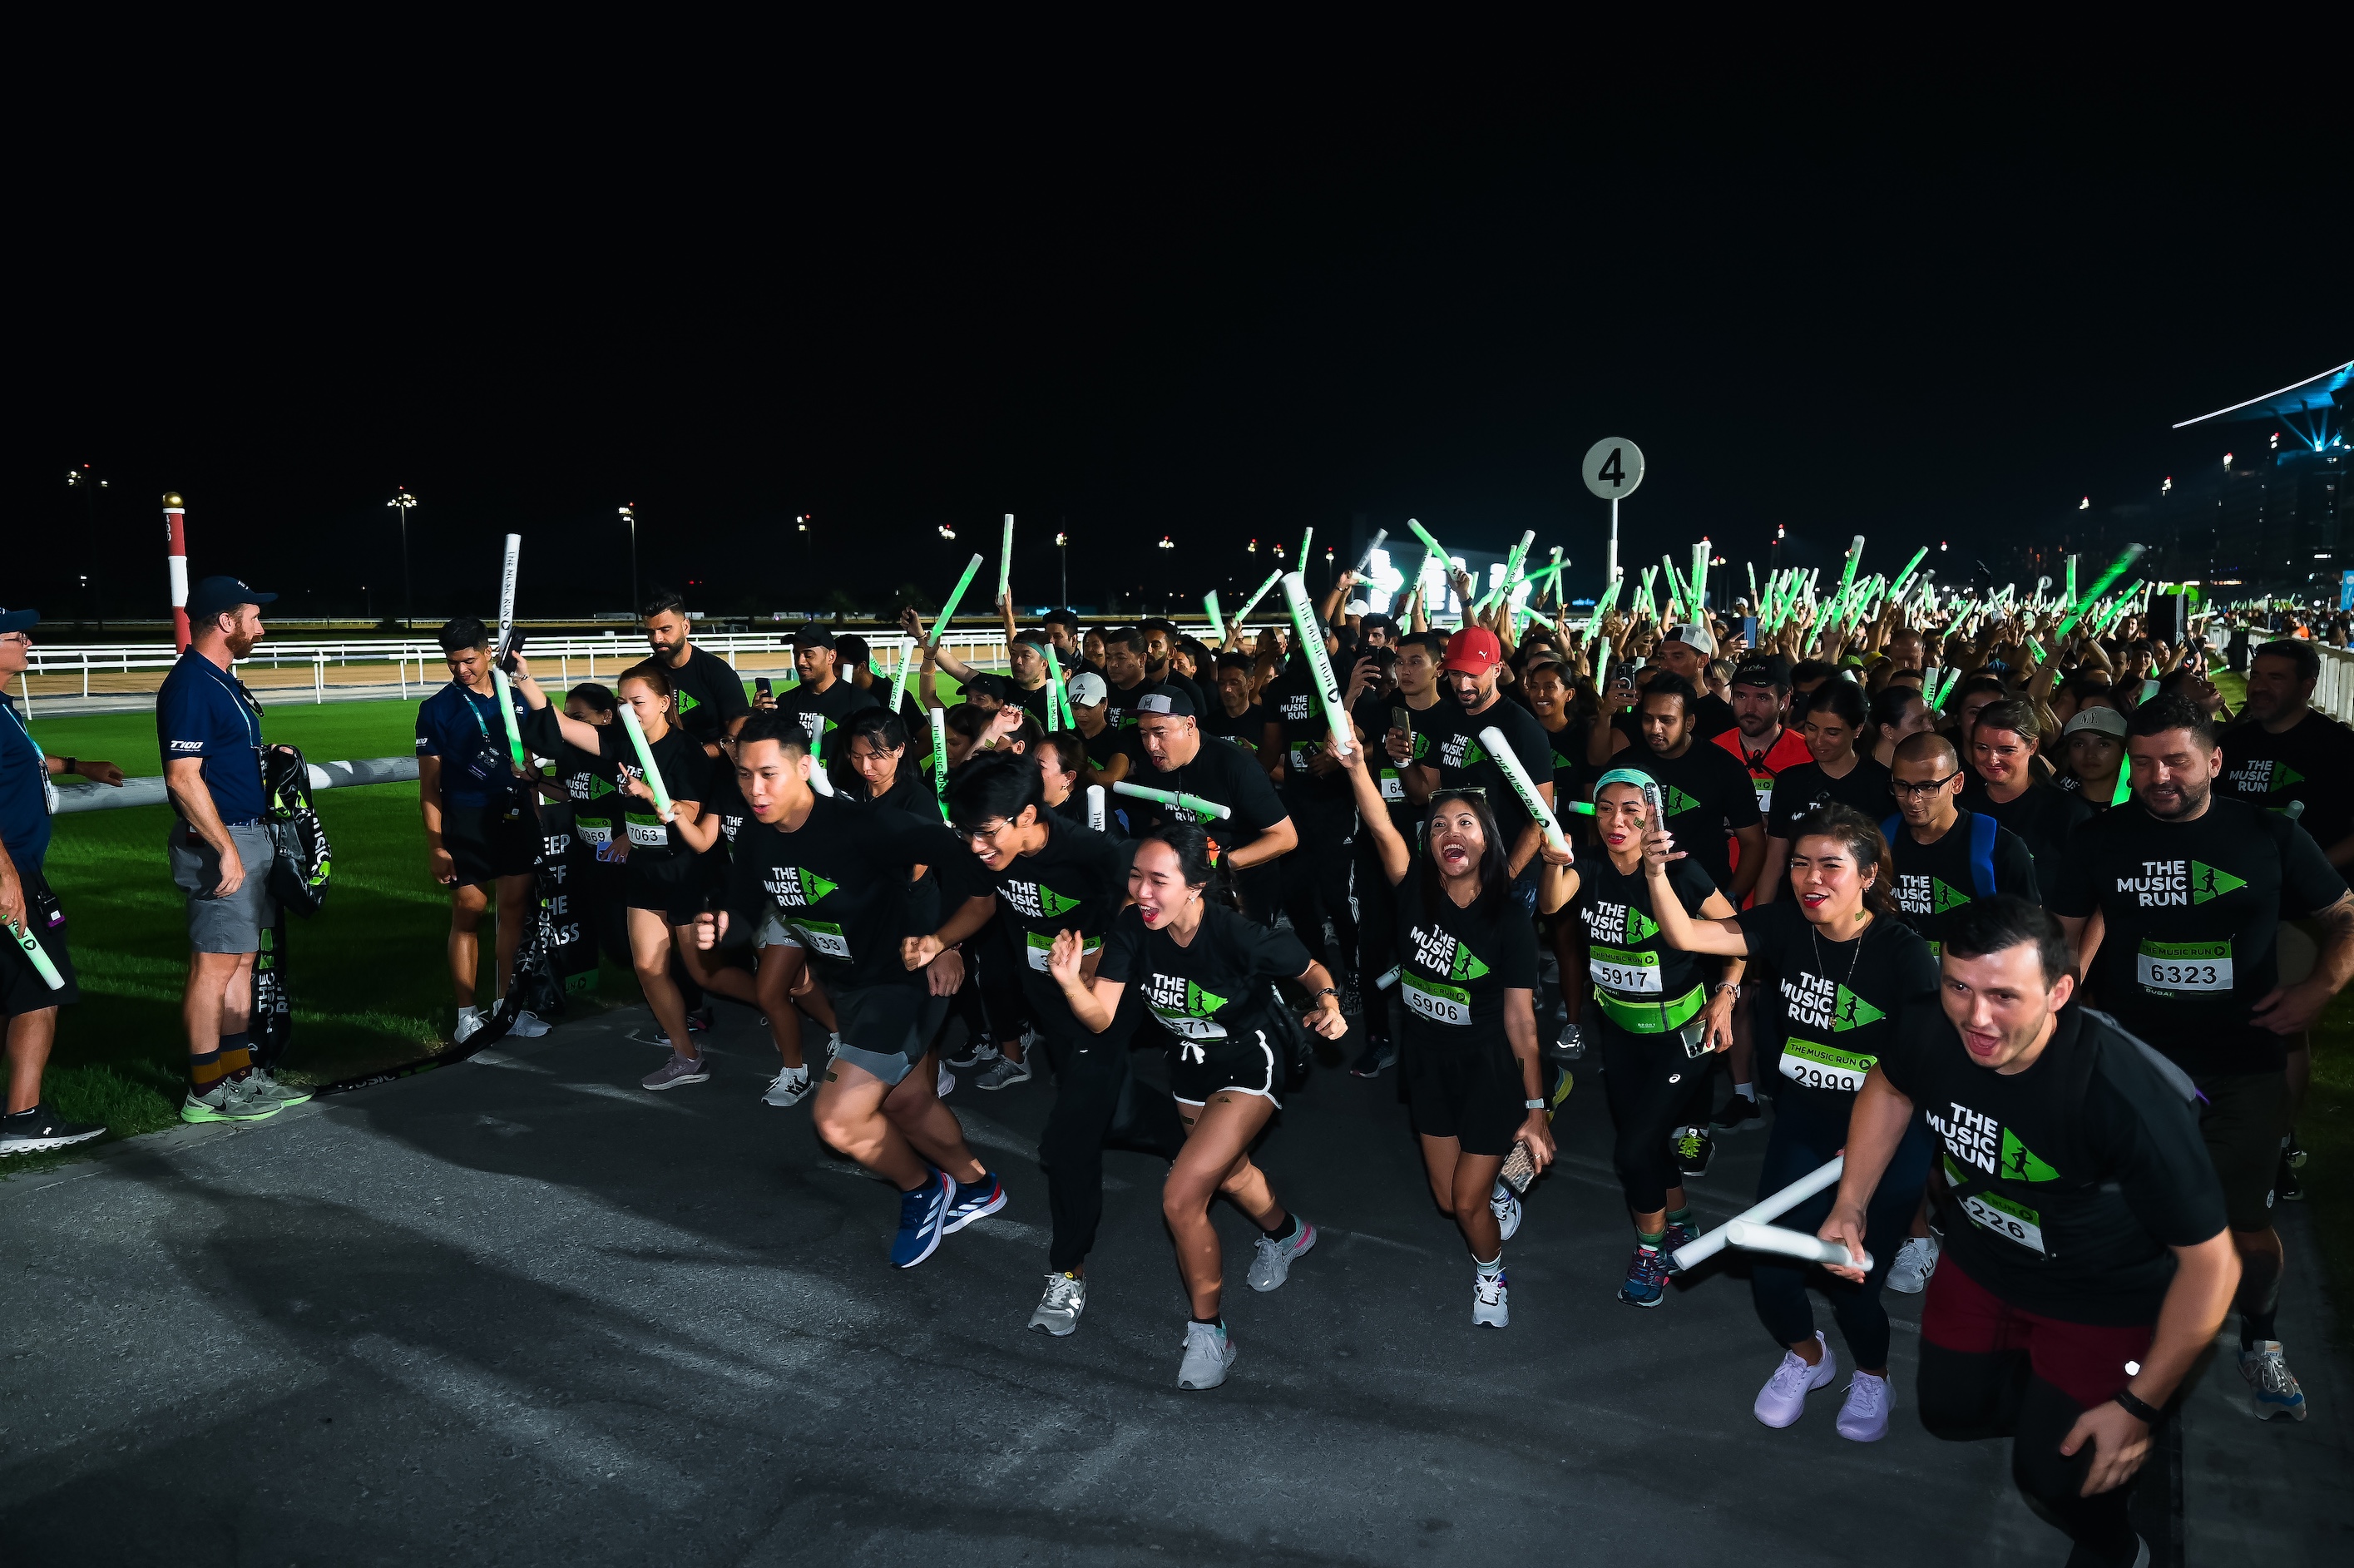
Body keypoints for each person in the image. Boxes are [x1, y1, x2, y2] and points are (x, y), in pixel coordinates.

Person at [1823, 898, 2238, 1567]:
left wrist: (2138, 1404)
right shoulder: (1930, 1024)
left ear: (2060, 991)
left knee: (2053, 1475)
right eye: (1959, 986)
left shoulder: (2123, 1094)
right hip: (1981, 1262)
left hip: (2099, 1296)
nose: (1976, 1017)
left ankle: (2117, 1545)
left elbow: (2214, 1267)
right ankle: (2051, 1402)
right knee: (1948, 1411)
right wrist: (1852, 1202)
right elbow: (1891, 1086)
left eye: (2004, 996)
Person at [2050, 695, 2354, 1424]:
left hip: (2242, 1064)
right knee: (2128, 1212)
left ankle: (2260, 1335)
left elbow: (2343, 913)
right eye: (2144, 762)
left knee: (2244, 1225)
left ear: (2215, 760)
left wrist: (2320, 986)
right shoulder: (2101, 838)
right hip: (2135, 1065)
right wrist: (2065, 1004)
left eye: (2177, 761)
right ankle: (2130, 1341)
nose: (2159, 776)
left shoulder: (2270, 834)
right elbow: (2060, 934)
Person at [1643, 803, 1938, 1442]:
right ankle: (1809, 1355)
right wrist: (1656, 873)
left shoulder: (1904, 953)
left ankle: (1873, 1374)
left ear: (1868, 874)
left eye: (1831, 865)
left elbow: (1923, 1072)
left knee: (1854, 1282)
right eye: (1801, 863)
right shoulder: (1784, 924)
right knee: (1772, 1270)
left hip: (1888, 1140)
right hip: (1805, 1124)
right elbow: (1689, 935)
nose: (1811, 878)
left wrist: (1864, 1153)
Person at [1050, 820, 1348, 1388]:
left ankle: (1210, 1333)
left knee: (1182, 1196)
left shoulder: (1236, 933)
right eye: (1135, 876)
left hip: (1249, 1063)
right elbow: (1103, 1017)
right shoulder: (1133, 928)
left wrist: (1329, 1004)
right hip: (1189, 1065)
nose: (1141, 891)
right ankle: (1288, 1234)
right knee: (1230, 1174)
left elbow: (1310, 969)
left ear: (1195, 886)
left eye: (1157, 880)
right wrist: (1070, 982)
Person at [701, 712, 1005, 1268]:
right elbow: (745, 907)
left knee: (838, 1120)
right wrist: (723, 925)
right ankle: (978, 1186)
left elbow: (963, 859)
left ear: (805, 767)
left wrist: (948, 943)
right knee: (909, 1101)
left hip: (903, 985)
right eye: (744, 775)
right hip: (851, 987)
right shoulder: (758, 837)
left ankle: (922, 1189)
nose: (755, 789)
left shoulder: (862, 825)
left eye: (768, 773)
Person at [921, 757, 1180, 1335]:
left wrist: (1104, 952)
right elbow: (983, 903)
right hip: (1051, 1008)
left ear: (1027, 816)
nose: (976, 846)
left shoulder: (1093, 852)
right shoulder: (991, 854)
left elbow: (1148, 901)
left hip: (1101, 1012)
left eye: (986, 832)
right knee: (1115, 1109)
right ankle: (1183, 1137)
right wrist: (941, 942)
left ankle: (1067, 1269)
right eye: (967, 834)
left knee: (1067, 1144)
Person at [1338, 734, 1570, 1326]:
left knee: (1467, 1206)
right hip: (1427, 1066)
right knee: (1448, 1200)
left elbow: (1522, 1020)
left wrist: (1536, 1108)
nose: (1451, 832)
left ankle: (1491, 1273)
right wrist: (1359, 767)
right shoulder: (1411, 890)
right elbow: (1381, 826)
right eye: (1439, 825)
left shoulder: (1509, 919)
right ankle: (1499, 1188)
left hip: (1489, 1071)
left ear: (1486, 840)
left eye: (1466, 823)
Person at [1567, 769, 1743, 1306]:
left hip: (1681, 1035)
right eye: (1605, 808)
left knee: (1633, 1149)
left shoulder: (1681, 870)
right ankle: (1681, 1220)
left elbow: (1739, 936)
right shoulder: (1586, 866)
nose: (1616, 820)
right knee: (1644, 1141)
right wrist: (1554, 862)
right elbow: (1551, 905)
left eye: (1631, 809)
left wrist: (1725, 995)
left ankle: (1651, 1251)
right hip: (1621, 1031)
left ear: (1653, 815)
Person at [513, 657, 719, 1091]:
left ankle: (787, 1006)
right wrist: (524, 678)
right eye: (622, 702)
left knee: (705, 974)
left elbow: (691, 814)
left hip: (683, 871)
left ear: (664, 703)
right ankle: (687, 1056)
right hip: (643, 873)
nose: (628, 710)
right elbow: (560, 723)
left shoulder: (686, 750)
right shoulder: (621, 743)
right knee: (647, 967)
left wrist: (653, 798)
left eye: (637, 702)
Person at [158, 576, 311, 1125]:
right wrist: (225, 848)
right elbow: (182, 777)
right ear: (226, 622)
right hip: (220, 841)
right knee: (215, 967)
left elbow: (218, 759)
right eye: (254, 617)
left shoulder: (220, 680)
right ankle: (205, 1090)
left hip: (248, 834)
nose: (261, 629)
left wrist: (266, 757)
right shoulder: (192, 685)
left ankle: (238, 1077)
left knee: (242, 962)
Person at [0, 606, 121, 1154]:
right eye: (16, 635)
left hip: (17, 868)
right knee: (41, 989)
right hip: (13, 872)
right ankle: (24, 1119)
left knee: (11, 988)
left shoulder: (4, 708)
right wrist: (6, 875)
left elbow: (22, 762)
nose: (28, 642)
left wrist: (77, 765)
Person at [414, 617, 549, 1045]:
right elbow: (430, 786)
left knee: (513, 913)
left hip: (515, 816)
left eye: (468, 660)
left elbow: (534, 755)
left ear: (489, 652)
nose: (461, 670)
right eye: (452, 662)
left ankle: (508, 1009)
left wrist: (535, 809)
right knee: (469, 913)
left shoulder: (516, 695)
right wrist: (436, 845)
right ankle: (466, 1015)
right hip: (466, 822)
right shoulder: (436, 709)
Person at [1397, 628, 1556, 904]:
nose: (1463, 685)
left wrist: (1505, 876)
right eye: (1456, 674)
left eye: (1473, 674)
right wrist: (1402, 761)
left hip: (1509, 878)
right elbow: (1424, 794)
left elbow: (1541, 816)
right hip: (1456, 872)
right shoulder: (1446, 718)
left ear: (1497, 670)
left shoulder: (1522, 728)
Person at [1125, 688, 1298, 906]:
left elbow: (1286, 837)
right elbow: (1161, 819)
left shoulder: (1236, 766)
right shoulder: (1151, 766)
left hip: (1243, 885)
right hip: (1188, 884)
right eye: (1144, 734)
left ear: (1189, 725)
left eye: (1160, 733)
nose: (1151, 745)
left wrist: (1222, 862)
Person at [1883, 732, 2039, 957]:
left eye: (1927, 787)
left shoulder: (2001, 849)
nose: (1912, 799)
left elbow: (2032, 937)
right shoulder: (1880, 841)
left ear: (1956, 783)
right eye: (1901, 785)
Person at [1620, 674, 1765, 903]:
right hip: (1636, 896)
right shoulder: (1623, 767)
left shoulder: (1724, 767)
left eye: (1666, 720)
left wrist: (1730, 898)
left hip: (1703, 899)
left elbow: (1753, 843)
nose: (1655, 728)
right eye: (1648, 719)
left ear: (1689, 722)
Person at [2221, 638, 2354, 868]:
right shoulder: (2230, 744)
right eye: (2255, 676)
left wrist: (2311, 871)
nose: (2259, 688)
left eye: (2276, 678)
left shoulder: (2341, 747)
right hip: (2238, 879)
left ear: (2307, 687)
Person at [1754, 680, 1889, 903]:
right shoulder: (1791, 781)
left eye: (1832, 733)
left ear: (1857, 729)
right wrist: (1759, 918)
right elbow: (1775, 860)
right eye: (1811, 728)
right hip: (1795, 904)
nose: (1818, 741)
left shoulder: (1882, 783)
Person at [1961, 699, 2088, 881]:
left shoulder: (2068, 813)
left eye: (2006, 750)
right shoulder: (1961, 810)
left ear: (2033, 746)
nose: (1992, 759)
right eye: (1982, 748)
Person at [1653, 623, 1736, 739]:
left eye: (1677, 657)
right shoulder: (1651, 705)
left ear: (1702, 660)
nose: (1666, 666)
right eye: (1663, 658)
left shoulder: (1725, 718)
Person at [1066, 673, 1135, 790]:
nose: (1081, 714)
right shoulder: (1067, 738)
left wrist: (1078, 769)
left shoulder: (1119, 740)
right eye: (1075, 707)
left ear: (1105, 704)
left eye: (1088, 707)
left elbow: (1112, 778)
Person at [2053, 705, 2128, 809]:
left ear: (2124, 751)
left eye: (2103, 744)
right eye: (2079, 744)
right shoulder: (2056, 807)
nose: (2089, 754)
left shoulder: (2143, 805)